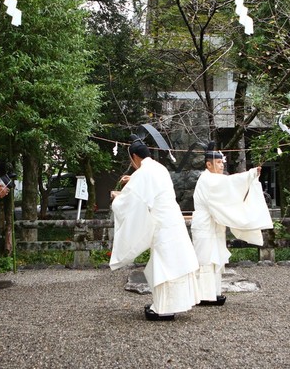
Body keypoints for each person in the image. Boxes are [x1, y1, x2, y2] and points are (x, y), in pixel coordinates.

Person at [109, 136, 200, 321]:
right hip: (173, 220)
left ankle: (163, 308)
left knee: (164, 265)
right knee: (173, 263)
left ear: (134, 157)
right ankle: (170, 305)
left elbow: (131, 199)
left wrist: (116, 199)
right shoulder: (159, 168)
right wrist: (133, 179)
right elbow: (147, 186)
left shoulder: (144, 172)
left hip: (162, 225)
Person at [191, 143, 273, 306]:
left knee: (215, 260)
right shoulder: (207, 179)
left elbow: (227, 184)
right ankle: (203, 295)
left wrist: (250, 176)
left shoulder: (213, 179)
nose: (222, 165)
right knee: (206, 260)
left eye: (222, 162)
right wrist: (249, 175)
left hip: (213, 225)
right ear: (209, 164)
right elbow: (229, 184)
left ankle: (213, 292)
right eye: (219, 163)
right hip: (205, 226)